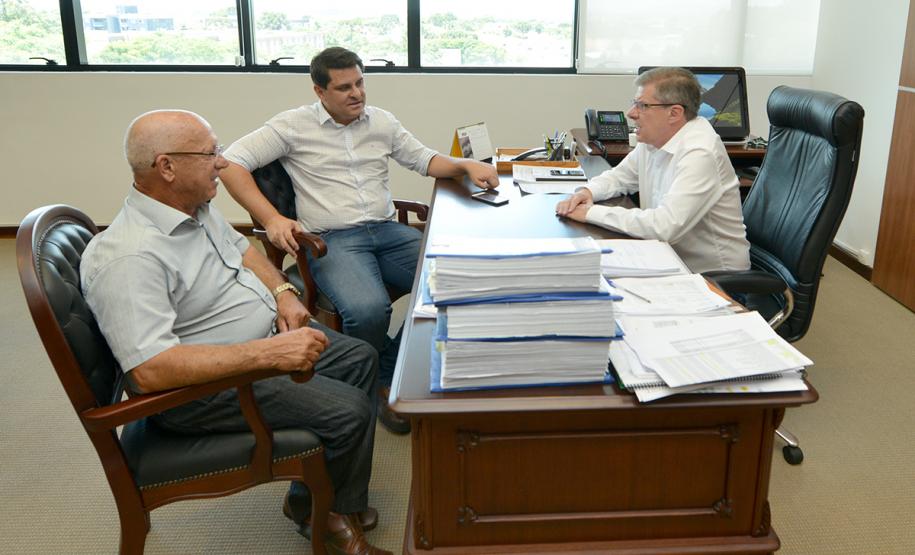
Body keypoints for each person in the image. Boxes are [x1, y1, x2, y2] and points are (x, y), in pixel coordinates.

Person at [81, 109, 392, 555]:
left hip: (258, 344)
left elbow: (244, 251)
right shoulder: (131, 258)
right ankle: (330, 525)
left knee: (360, 358)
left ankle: (320, 504)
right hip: (204, 389)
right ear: (166, 167)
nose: (223, 164)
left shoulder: (192, 208)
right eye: (211, 153)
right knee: (349, 412)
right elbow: (151, 371)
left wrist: (284, 293)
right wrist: (269, 355)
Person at [220, 46, 500, 434]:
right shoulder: (292, 126)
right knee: (368, 310)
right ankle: (374, 384)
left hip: (387, 231)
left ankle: (386, 371)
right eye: (344, 88)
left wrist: (465, 165)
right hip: (333, 240)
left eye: (360, 83)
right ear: (320, 92)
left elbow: (423, 160)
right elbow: (229, 163)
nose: (357, 94)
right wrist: (272, 217)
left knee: (460, 279)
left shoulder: (381, 122)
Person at [556, 67, 751, 273]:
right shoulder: (654, 139)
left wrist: (590, 213)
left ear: (674, 113)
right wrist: (587, 192)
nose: (631, 113)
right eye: (634, 103)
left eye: (642, 105)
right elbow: (619, 178)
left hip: (713, 279)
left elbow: (664, 227)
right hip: (666, 258)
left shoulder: (700, 152)